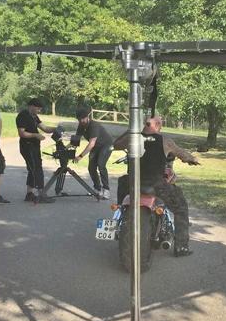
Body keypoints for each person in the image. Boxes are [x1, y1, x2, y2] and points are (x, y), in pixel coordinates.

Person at [113, 115, 199, 257]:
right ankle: (181, 247)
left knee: (122, 185)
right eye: (161, 123)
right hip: (156, 184)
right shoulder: (165, 141)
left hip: (131, 183)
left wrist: (130, 131)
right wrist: (192, 159)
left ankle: (122, 214)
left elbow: (115, 145)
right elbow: (182, 154)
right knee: (181, 208)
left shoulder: (131, 138)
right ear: (158, 124)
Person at [16, 98, 56, 203]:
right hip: (27, 146)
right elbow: (22, 133)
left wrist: (55, 129)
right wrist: (35, 135)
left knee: (35, 168)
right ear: (31, 106)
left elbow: (45, 128)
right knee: (35, 169)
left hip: (35, 146)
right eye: (38, 108)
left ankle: (30, 194)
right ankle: (40, 193)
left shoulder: (34, 116)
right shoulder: (23, 116)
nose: (39, 111)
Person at [74, 106, 113, 199]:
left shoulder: (93, 125)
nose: (81, 121)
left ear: (87, 117)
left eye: (83, 118)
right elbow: (76, 140)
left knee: (101, 164)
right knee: (91, 167)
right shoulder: (81, 125)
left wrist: (80, 156)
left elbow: (91, 144)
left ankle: (106, 190)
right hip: (96, 146)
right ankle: (97, 189)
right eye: (79, 119)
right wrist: (67, 148)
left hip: (106, 145)